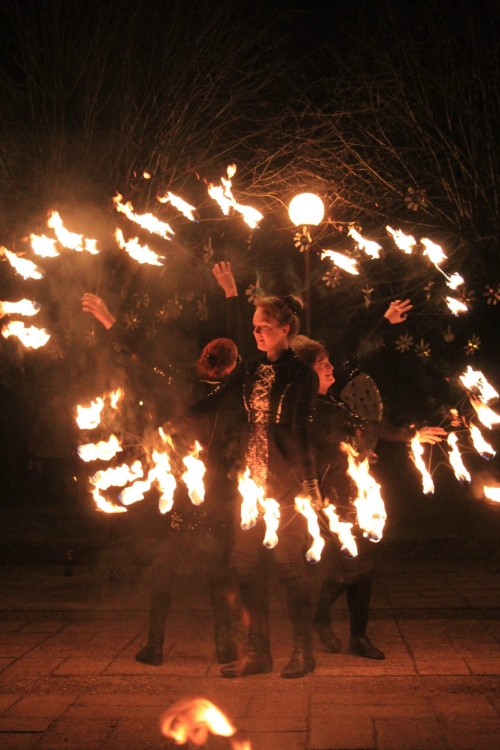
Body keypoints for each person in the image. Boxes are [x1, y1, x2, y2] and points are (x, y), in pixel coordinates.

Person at [188, 295, 323, 679]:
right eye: (254, 328)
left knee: (288, 565)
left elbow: (299, 430)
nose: (257, 334)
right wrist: (174, 423)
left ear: (285, 329)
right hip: (253, 482)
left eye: (264, 327)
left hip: (287, 484)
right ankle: (258, 652)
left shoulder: (301, 375)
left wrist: (310, 482)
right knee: (244, 564)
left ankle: (302, 652)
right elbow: (216, 399)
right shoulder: (249, 370)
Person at [293, 335, 446, 660]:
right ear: (306, 372)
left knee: (360, 565)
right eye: (321, 364)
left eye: (327, 360)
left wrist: (385, 325)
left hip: (351, 492)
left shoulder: (330, 398)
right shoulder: (312, 410)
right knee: (356, 564)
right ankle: (328, 620)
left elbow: (354, 360)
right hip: (328, 500)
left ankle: (353, 635)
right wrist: (410, 435)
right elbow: (366, 425)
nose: (331, 367)